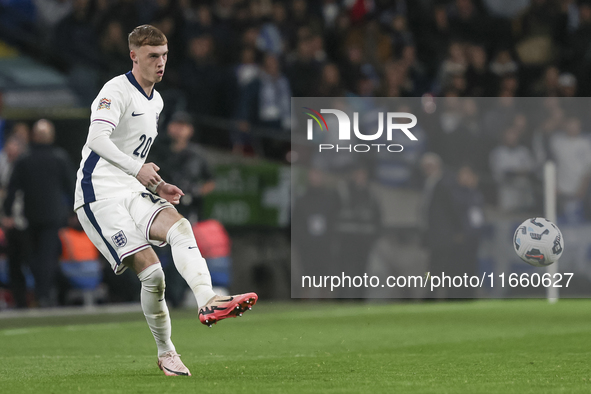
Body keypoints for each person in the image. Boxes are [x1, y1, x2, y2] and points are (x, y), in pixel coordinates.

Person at [73, 25, 257, 377]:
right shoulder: (115, 90)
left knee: (180, 225)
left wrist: (157, 185)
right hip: (98, 194)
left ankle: (208, 299)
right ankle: (166, 352)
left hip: (131, 189)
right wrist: (138, 170)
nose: (161, 63)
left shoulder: (156, 100)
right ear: (134, 56)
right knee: (154, 274)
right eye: (153, 56)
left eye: (165, 56)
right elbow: (97, 139)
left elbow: (134, 153)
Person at [3, 119, 75, 307]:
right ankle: (44, 295)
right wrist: (75, 211)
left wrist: (8, 213)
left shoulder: (24, 160)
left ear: (34, 136)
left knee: (34, 258)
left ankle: (41, 294)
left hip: (31, 217)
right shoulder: (60, 158)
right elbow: (72, 187)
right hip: (52, 217)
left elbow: (13, 189)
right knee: (48, 258)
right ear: (51, 137)